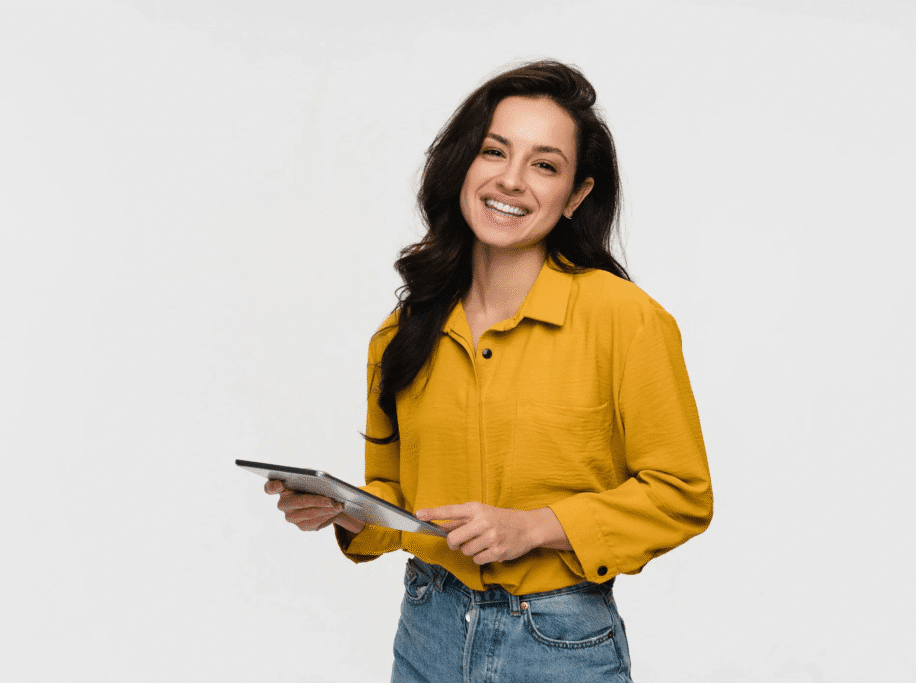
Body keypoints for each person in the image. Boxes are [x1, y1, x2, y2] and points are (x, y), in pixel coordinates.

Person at [263, 60, 712, 682]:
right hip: (428, 630)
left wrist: (534, 527)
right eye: (494, 151)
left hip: (557, 643)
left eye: (545, 164)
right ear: (462, 166)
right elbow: (401, 499)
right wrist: (347, 511)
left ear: (577, 194)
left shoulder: (624, 319)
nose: (512, 180)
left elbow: (681, 494)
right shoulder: (401, 334)